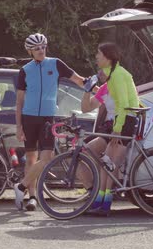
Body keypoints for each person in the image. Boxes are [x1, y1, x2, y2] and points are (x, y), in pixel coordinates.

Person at [13, 33, 85, 211]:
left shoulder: (56, 64)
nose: (41, 50)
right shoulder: (25, 70)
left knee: (47, 158)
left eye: (43, 47)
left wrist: (99, 91)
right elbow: (19, 101)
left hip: (47, 118)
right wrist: (18, 126)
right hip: (29, 117)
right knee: (31, 159)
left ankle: (20, 186)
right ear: (30, 51)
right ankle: (32, 197)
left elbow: (78, 79)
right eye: (37, 48)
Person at [88, 42, 140, 216]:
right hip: (123, 119)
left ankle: (104, 205)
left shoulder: (117, 74)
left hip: (125, 121)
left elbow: (123, 104)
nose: (96, 57)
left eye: (99, 54)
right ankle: (99, 202)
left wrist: (117, 130)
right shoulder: (113, 74)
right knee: (107, 164)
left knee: (109, 165)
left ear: (108, 58)